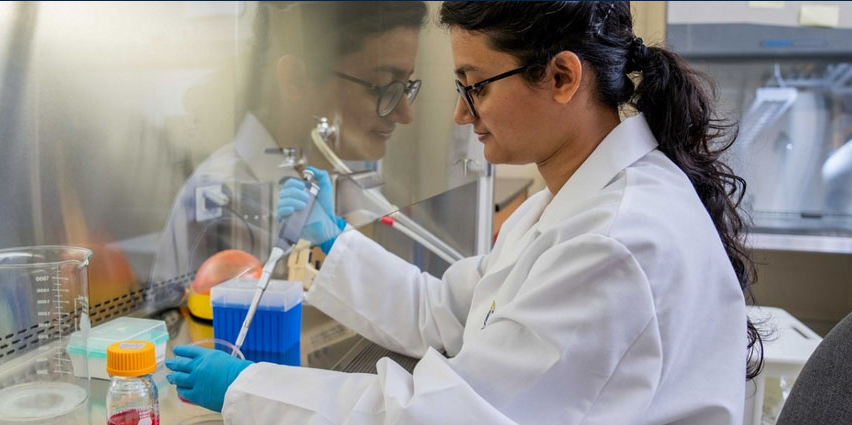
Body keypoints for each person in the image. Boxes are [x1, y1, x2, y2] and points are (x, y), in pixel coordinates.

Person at [166, 2, 764, 424]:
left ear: (561, 76)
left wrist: (246, 387)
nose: (459, 114)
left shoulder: (612, 243)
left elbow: (441, 413)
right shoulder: (569, 206)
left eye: (474, 84)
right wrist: (335, 239)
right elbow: (448, 311)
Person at [148, 1, 426, 305]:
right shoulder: (224, 200)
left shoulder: (343, 181)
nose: (405, 114)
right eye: (383, 86)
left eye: (406, 86)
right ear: (295, 79)